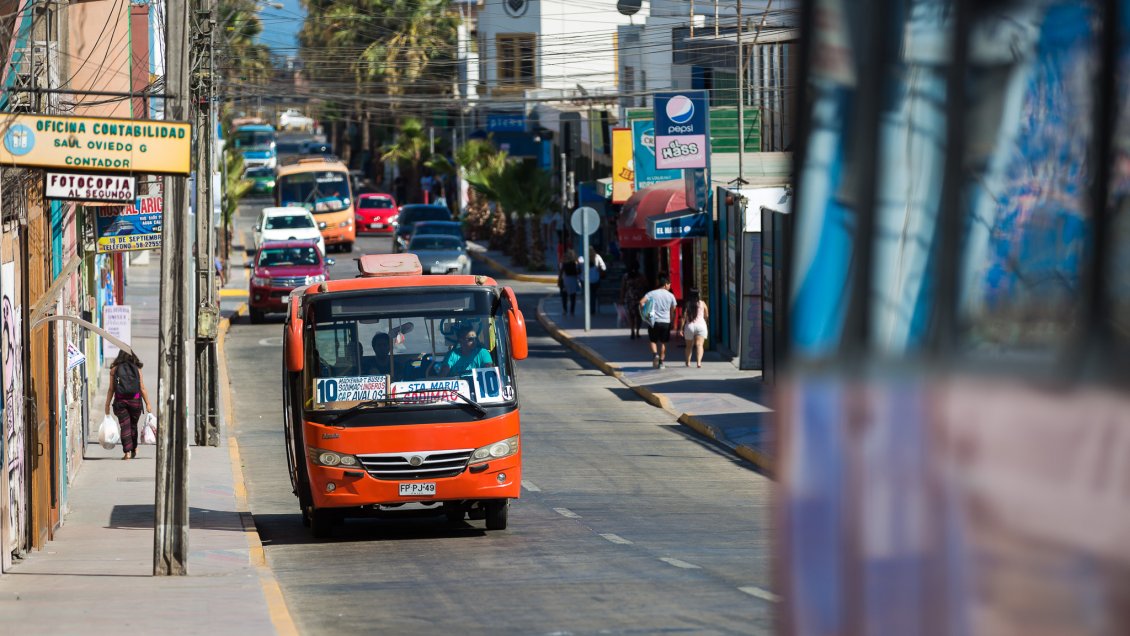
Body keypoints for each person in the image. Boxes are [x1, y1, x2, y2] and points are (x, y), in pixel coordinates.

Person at [103, 350, 152, 460]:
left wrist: (107, 405)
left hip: (120, 402)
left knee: (124, 426)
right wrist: (148, 403)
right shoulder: (137, 369)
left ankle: (127, 452)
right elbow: (142, 388)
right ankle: (134, 448)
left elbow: (111, 389)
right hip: (135, 401)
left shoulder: (114, 369)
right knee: (133, 426)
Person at [640, 276, 678, 369]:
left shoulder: (651, 293)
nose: (670, 286)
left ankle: (655, 355)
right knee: (663, 342)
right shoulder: (671, 295)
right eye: (669, 284)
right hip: (666, 322)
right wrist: (672, 321)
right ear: (665, 284)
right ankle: (661, 362)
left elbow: (641, 302)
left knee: (653, 340)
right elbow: (673, 310)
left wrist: (645, 314)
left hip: (653, 321)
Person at [679, 288, 709, 368]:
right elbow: (706, 315)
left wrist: (681, 329)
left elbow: (683, 317)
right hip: (701, 326)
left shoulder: (687, 304)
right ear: (698, 295)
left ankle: (688, 362)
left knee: (689, 346)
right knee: (699, 345)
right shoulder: (702, 303)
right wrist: (704, 321)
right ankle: (698, 363)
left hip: (690, 326)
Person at [619, 265, 648, 339]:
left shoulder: (626, 276)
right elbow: (646, 285)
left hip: (629, 298)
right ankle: (637, 332)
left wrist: (622, 298)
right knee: (638, 316)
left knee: (631, 316)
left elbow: (623, 288)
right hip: (639, 298)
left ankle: (632, 331)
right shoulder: (641, 276)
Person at [559, 249, 582, 316]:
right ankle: (572, 311)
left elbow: (561, 272)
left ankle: (565, 310)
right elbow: (579, 272)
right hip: (573, 280)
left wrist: (559, 281)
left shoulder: (564, 264)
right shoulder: (575, 264)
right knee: (573, 297)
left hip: (565, 280)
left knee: (564, 296)